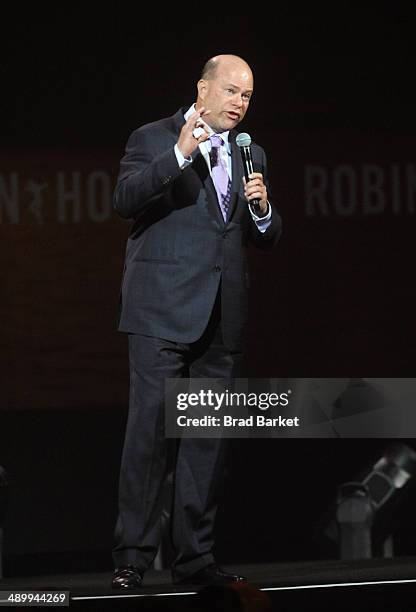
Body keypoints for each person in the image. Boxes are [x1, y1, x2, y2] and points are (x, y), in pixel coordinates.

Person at [111, 54, 282, 589]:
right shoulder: (153, 136)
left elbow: (264, 235)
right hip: (161, 310)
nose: (239, 103)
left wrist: (263, 209)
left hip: (221, 313)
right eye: (231, 91)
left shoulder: (249, 151)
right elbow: (124, 199)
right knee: (151, 434)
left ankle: (195, 558)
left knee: (207, 441)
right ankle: (133, 557)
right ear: (202, 88)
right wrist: (181, 152)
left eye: (247, 95)